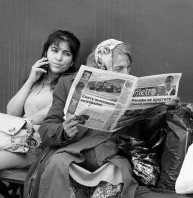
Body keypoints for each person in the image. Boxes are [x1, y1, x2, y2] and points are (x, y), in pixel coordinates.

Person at [24, 39, 138, 198]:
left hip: (108, 154)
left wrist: (162, 108)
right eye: (119, 68)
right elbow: (47, 126)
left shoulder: (132, 88)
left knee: (119, 171)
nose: (126, 74)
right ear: (101, 66)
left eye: (128, 67)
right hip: (72, 151)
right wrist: (63, 131)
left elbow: (145, 130)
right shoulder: (67, 83)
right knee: (57, 165)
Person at [0, 30, 80, 170]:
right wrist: (31, 80)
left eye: (66, 53)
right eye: (54, 50)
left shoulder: (70, 85)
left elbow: (47, 114)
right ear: (45, 53)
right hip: (13, 142)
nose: (59, 58)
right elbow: (11, 112)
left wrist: (17, 126)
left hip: (35, 148)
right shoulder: (36, 81)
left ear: (72, 60)